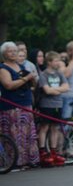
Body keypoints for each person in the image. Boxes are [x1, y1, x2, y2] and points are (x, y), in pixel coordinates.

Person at [0, 41, 40, 169]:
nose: (13, 53)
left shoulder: (21, 67)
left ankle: (29, 159)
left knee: (27, 133)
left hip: (26, 103)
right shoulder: (3, 68)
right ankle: (14, 161)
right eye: (10, 51)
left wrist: (32, 79)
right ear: (4, 54)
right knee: (14, 133)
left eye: (14, 51)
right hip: (12, 105)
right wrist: (25, 79)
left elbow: (33, 85)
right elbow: (8, 85)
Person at [36, 51, 69, 167]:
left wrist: (55, 90)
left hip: (58, 104)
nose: (58, 63)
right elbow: (47, 90)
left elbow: (66, 87)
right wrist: (58, 89)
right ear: (49, 62)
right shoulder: (44, 75)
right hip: (46, 105)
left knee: (55, 128)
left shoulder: (59, 74)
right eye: (56, 60)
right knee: (45, 127)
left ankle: (54, 152)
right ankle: (43, 151)